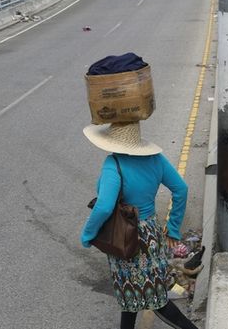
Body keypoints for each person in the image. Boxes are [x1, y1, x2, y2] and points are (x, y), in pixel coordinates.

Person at [80, 121, 199, 329]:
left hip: (127, 237)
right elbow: (181, 189)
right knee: (133, 295)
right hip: (151, 235)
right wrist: (172, 227)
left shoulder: (113, 164)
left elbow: (104, 207)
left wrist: (88, 233)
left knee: (154, 298)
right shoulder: (156, 159)